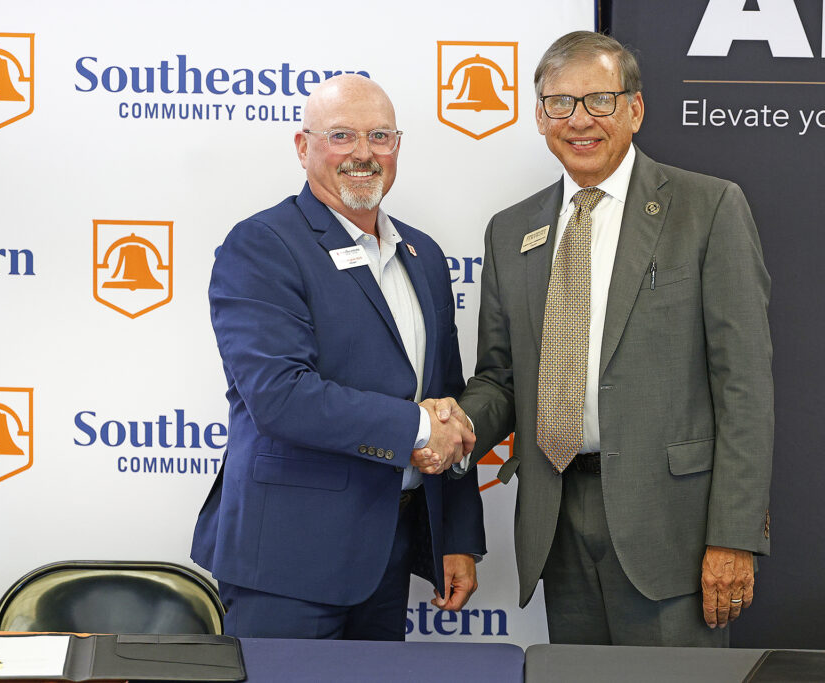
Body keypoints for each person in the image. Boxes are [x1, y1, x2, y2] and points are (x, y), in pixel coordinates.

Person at [442, 30, 773, 646]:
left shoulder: (707, 208)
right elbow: (502, 379)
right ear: (540, 117)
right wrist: (453, 424)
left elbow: (745, 386)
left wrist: (734, 532)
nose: (580, 120)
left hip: (672, 526)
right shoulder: (510, 231)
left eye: (599, 100)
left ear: (635, 109)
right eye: (560, 104)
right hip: (555, 520)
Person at [190, 74, 485, 640]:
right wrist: (419, 427)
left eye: (380, 136)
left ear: (397, 146)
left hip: (388, 557)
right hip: (286, 561)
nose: (363, 154)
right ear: (304, 147)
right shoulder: (262, 245)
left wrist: (455, 536)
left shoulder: (423, 256)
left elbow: (446, 395)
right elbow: (280, 397)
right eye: (341, 136)